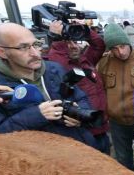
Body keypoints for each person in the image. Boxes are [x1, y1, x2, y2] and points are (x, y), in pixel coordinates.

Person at [0, 23, 97, 148]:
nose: (35, 53)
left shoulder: (54, 68)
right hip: (38, 162)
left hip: (81, 149)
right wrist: (37, 115)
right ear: (1, 52)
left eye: (36, 44)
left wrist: (78, 114)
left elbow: (81, 97)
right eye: (24, 47)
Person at [46, 20, 109, 153]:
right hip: (83, 129)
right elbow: (55, 53)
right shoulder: (60, 65)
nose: (74, 46)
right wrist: (56, 38)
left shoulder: (86, 60)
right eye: (68, 43)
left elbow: (99, 45)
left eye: (75, 42)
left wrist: (84, 28)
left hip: (101, 126)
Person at [96, 22, 134, 171]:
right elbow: (99, 90)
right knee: (123, 162)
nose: (120, 52)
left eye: (122, 46)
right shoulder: (103, 64)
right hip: (117, 123)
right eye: (114, 48)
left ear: (128, 43)